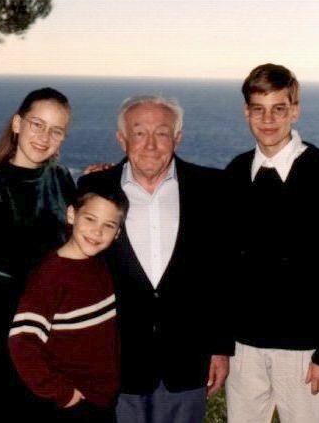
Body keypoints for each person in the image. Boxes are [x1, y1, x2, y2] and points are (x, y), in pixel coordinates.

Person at [78, 95, 234, 423]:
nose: (150, 144)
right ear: (122, 139)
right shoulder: (93, 188)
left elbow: (222, 275)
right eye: (139, 133)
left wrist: (220, 348)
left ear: (177, 138)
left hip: (187, 361)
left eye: (162, 133)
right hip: (116, 361)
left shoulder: (212, 188)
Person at [224, 63, 319, 423]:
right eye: (258, 108)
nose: (267, 119)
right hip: (243, 349)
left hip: (305, 350)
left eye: (279, 108)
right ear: (246, 112)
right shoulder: (236, 172)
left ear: (295, 109)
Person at [0, 87, 76, 421]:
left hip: (53, 337)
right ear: (17, 124)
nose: (44, 136)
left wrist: (102, 180)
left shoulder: (63, 180)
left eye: (56, 130)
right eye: (37, 124)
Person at [8, 186, 129, 423]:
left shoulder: (99, 265)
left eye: (108, 225)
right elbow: (21, 342)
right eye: (90, 219)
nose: (97, 232)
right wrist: (63, 394)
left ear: (117, 233)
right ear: (72, 215)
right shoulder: (51, 276)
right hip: (72, 405)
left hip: (103, 399)